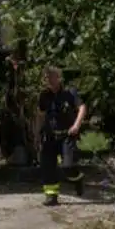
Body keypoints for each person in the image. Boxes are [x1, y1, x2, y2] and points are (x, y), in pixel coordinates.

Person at [36, 65, 87, 206]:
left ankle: (77, 179)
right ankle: (51, 196)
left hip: (67, 135)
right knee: (47, 166)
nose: (49, 80)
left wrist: (76, 125)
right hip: (49, 136)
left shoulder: (69, 92)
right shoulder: (44, 95)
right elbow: (40, 115)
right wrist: (36, 134)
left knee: (67, 166)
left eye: (51, 77)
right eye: (46, 77)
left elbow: (82, 108)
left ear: (58, 78)